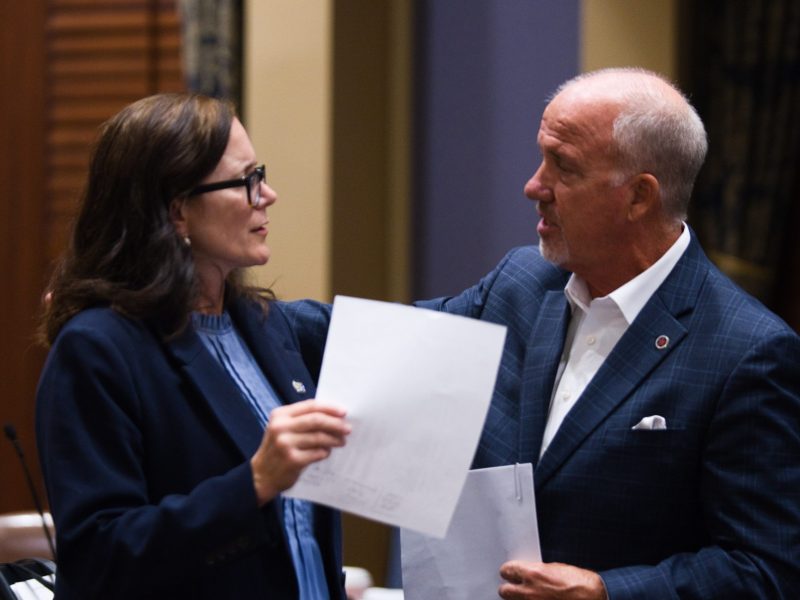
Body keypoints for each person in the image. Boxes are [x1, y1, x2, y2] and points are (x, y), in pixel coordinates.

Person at [285, 68, 800, 598]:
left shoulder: (748, 352)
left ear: (639, 197)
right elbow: (372, 340)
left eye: (563, 166)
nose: (534, 186)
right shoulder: (522, 285)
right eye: (541, 158)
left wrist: (608, 592)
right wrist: (234, 300)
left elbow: (768, 569)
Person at [36, 93, 352, 599]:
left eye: (261, 174)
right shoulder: (98, 350)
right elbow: (98, 558)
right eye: (246, 180)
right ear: (178, 212)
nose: (267, 195)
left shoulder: (265, 326)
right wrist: (253, 483)